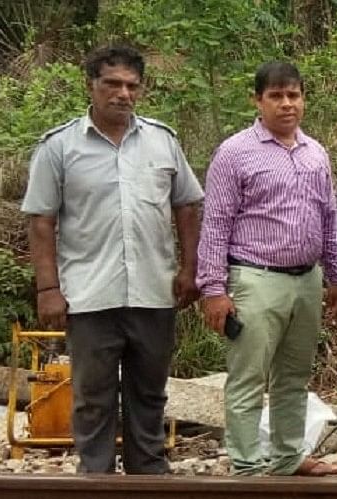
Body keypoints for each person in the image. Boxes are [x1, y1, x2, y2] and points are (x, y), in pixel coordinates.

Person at [22, 45, 202, 474]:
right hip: (89, 293)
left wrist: (191, 269)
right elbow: (41, 222)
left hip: (153, 292)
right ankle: (96, 480)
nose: (123, 93)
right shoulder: (59, 147)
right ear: (92, 85)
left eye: (131, 86)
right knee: (92, 395)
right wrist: (48, 289)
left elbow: (188, 208)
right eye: (112, 84)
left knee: (149, 392)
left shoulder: (163, 141)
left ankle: (148, 476)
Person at [197, 61, 337, 477]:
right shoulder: (235, 153)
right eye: (276, 96)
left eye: (294, 95)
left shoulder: (315, 153)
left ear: (303, 99)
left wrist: (336, 276)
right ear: (257, 101)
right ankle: (246, 466)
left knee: (294, 377)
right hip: (255, 278)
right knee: (248, 377)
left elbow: (329, 219)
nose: (287, 104)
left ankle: (287, 458)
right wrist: (213, 288)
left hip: (307, 279)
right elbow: (216, 223)